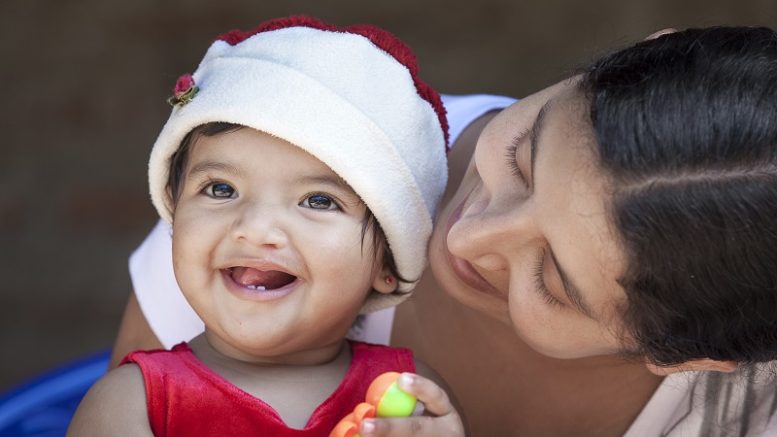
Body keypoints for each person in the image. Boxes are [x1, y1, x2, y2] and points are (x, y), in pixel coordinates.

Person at [111, 26, 777, 436]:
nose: (462, 237)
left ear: (690, 359)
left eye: (550, 279)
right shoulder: (278, 200)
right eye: (520, 156)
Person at [67, 16, 466, 436]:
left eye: (318, 201)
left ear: (388, 264)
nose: (255, 229)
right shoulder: (132, 405)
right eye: (221, 189)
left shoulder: (412, 405)